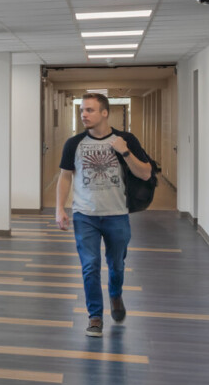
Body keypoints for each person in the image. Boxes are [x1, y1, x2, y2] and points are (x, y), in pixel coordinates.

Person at [55, 92, 154, 338]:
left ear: (104, 112)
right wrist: (59, 208)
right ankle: (95, 316)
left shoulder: (126, 139)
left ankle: (116, 294)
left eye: (89, 110)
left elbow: (145, 174)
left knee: (116, 265)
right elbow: (65, 176)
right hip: (84, 215)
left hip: (117, 214)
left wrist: (126, 152)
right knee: (90, 266)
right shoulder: (74, 143)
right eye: (81, 111)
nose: (84, 115)